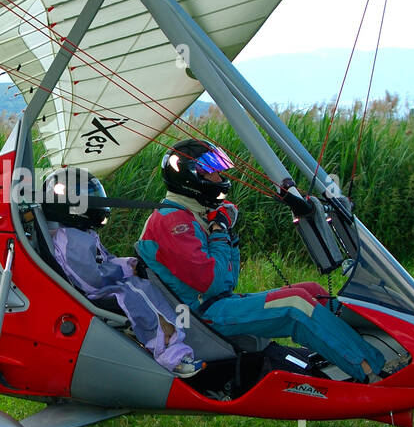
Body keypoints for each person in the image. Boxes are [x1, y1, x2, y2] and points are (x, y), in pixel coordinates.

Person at [135, 139, 387, 383]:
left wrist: (225, 230)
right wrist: (220, 231)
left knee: (310, 291)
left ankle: (379, 344)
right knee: (295, 305)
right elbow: (212, 283)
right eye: (212, 171)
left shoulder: (193, 214)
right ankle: (373, 371)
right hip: (199, 316)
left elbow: (227, 281)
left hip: (216, 303)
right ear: (191, 177)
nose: (220, 177)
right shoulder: (172, 222)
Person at [42, 167, 203, 377]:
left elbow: (104, 261)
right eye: (91, 198)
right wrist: (125, 269)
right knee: (137, 294)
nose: (97, 202)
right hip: (91, 294)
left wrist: (127, 264)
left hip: (99, 287)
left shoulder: (81, 234)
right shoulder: (72, 240)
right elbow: (91, 280)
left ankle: (174, 344)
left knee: (143, 288)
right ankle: (169, 356)